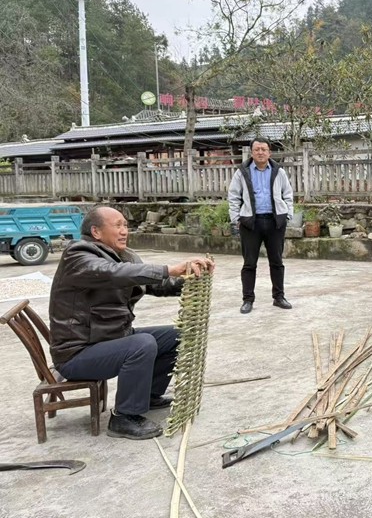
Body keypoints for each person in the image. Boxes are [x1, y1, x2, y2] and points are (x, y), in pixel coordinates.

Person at [49, 206, 214, 440]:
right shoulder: (78, 255)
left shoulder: (122, 256)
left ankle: (147, 396)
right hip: (77, 353)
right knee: (142, 344)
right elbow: (112, 273)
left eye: (125, 225)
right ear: (96, 232)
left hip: (110, 338)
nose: (125, 231)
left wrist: (190, 278)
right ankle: (124, 417)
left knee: (177, 334)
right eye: (117, 225)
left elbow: (154, 284)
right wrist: (168, 269)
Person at [228, 137, 294, 314]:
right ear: (252, 152)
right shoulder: (242, 172)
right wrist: (237, 218)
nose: (260, 152)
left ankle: (279, 297)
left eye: (263, 149)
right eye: (257, 149)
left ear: (269, 152)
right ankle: (247, 300)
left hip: (275, 222)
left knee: (277, 262)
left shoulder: (278, 171)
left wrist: (287, 214)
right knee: (249, 263)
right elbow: (233, 196)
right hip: (251, 222)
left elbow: (287, 193)